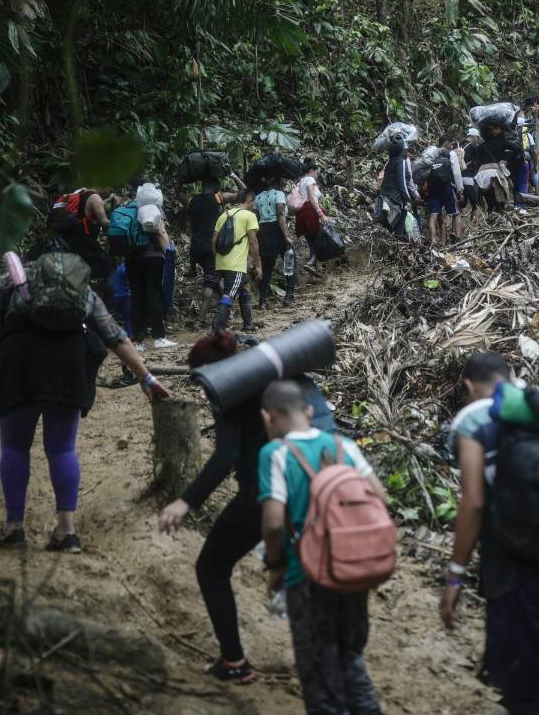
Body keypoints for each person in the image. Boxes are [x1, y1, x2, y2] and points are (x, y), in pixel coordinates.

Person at [0, 222, 168, 553]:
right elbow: (114, 335)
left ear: (35, 257)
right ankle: (67, 532)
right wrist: (146, 377)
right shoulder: (80, 286)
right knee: (62, 448)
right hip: (69, 366)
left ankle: (13, 527)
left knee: (15, 445)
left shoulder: (15, 277)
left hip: (20, 364)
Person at [157, 335, 357, 684]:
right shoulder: (279, 380)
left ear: (206, 372)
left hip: (263, 495)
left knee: (211, 567)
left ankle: (234, 662)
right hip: (317, 490)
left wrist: (185, 501)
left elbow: (226, 456)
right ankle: (341, 661)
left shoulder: (228, 391)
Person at [440, 353, 539, 715]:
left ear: (469, 386)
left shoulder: (474, 418)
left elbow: (473, 501)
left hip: (512, 562)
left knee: (523, 692)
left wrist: (455, 575)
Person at [258, 380, 385, 715]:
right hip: (352, 568)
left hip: (308, 574)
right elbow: (380, 499)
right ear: (310, 411)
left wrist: (277, 566)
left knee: (319, 671)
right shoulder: (344, 446)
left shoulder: (275, 454)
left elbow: (272, 523)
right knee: (350, 657)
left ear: (268, 418)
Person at [126, 182, 176, 350]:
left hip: (132, 257)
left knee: (136, 296)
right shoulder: (154, 208)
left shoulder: (130, 209)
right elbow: (161, 233)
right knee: (153, 295)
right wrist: (170, 256)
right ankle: (158, 338)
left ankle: (138, 342)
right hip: (153, 257)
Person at [186, 178, 238, 329]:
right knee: (211, 283)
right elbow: (243, 192)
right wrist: (233, 175)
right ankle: (200, 320)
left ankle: (226, 314)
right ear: (215, 186)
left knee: (217, 278)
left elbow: (178, 194)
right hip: (212, 249)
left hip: (195, 250)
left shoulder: (192, 201)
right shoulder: (219, 198)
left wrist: (181, 182)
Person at [211, 191, 262, 333]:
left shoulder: (223, 215)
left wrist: (218, 261)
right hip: (235, 266)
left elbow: (213, 241)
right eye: (254, 201)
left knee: (245, 287)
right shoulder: (249, 216)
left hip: (221, 263)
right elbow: (253, 241)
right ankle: (217, 328)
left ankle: (248, 324)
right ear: (249, 199)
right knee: (229, 295)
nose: (254, 205)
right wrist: (258, 265)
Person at [288, 159, 330, 284]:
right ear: (311, 171)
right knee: (321, 240)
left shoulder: (300, 182)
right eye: (317, 172)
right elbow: (312, 198)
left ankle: (313, 277)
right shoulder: (310, 180)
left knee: (312, 243)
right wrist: (321, 214)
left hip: (302, 214)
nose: (317, 175)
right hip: (310, 212)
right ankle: (310, 263)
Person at [253, 178, 291, 311]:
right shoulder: (279, 194)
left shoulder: (257, 197)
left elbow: (256, 216)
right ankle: (289, 296)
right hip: (277, 230)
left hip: (263, 231)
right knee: (289, 261)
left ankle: (262, 301)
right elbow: (280, 214)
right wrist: (286, 236)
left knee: (266, 267)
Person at [476, 123, 521, 214]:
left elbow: (477, 162)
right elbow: (517, 149)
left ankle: (490, 222)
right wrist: (506, 158)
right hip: (495, 174)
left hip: (482, 176)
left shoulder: (480, 147)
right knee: (500, 203)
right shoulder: (502, 142)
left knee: (490, 204)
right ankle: (500, 222)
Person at [378, 141, 418, 238]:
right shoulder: (401, 161)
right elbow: (402, 183)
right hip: (395, 197)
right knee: (401, 218)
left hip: (385, 195)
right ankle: (398, 244)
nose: (408, 153)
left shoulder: (390, 161)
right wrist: (408, 198)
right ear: (401, 151)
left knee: (389, 224)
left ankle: (391, 243)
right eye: (406, 151)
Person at [426, 141, 462, 245]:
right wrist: (460, 190)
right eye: (451, 144)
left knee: (433, 215)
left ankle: (433, 240)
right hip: (446, 187)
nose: (452, 146)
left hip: (432, 188)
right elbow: (456, 173)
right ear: (447, 142)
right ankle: (453, 239)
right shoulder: (450, 154)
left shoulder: (431, 157)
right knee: (453, 213)